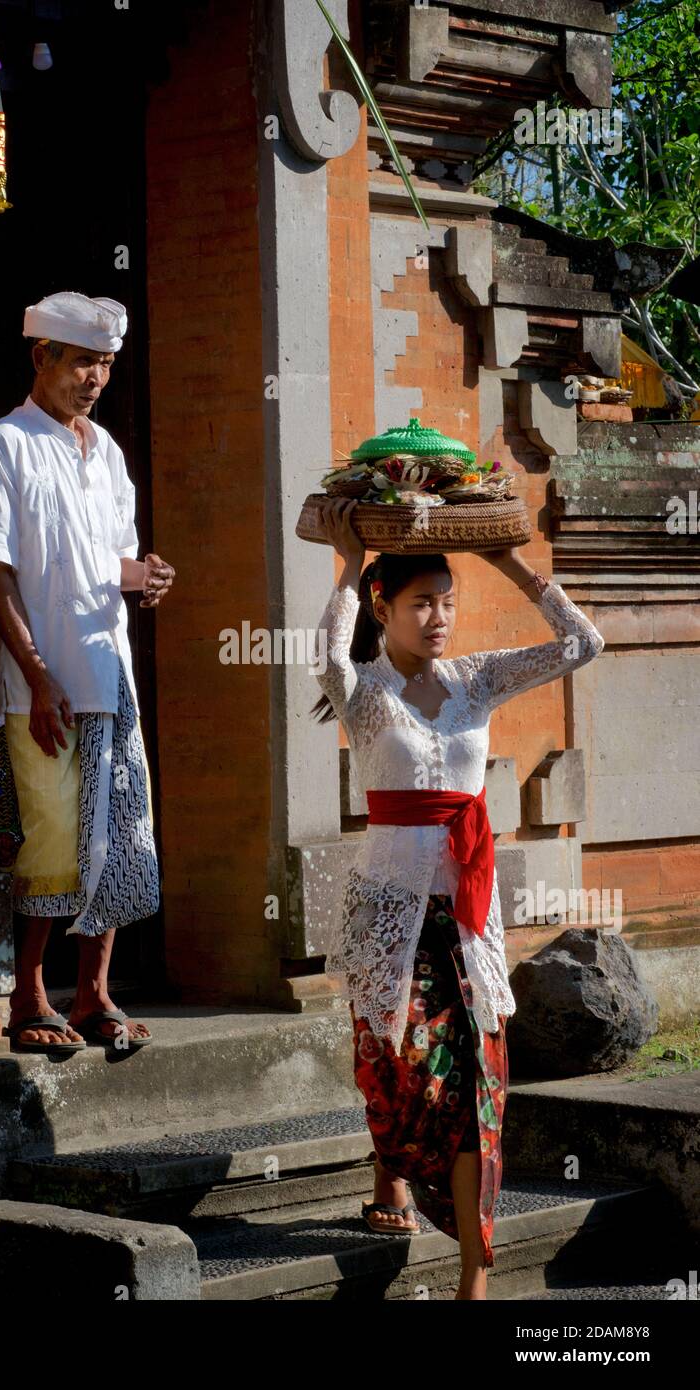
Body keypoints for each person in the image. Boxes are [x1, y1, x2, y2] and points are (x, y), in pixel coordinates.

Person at [310, 497, 606, 1299]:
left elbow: (585, 642)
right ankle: (389, 1177)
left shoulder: (478, 678)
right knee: (401, 1069)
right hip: (389, 905)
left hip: (469, 911)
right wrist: (346, 565)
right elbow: (327, 663)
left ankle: (476, 1272)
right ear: (384, 607)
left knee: (477, 1079)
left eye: (447, 600)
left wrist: (509, 563)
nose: (439, 617)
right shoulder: (366, 693)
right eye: (420, 603)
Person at [0, 291, 175, 1054]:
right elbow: (3, 574)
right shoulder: (9, 443)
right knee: (53, 838)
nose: (95, 377)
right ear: (42, 358)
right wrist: (35, 676)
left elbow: (109, 565)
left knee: (121, 835)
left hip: (111, 671)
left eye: (105, 364)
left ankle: (94, 995)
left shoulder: (110, 454)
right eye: (82, 361)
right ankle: (29, 996)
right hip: (45, 682)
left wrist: (147, 576)